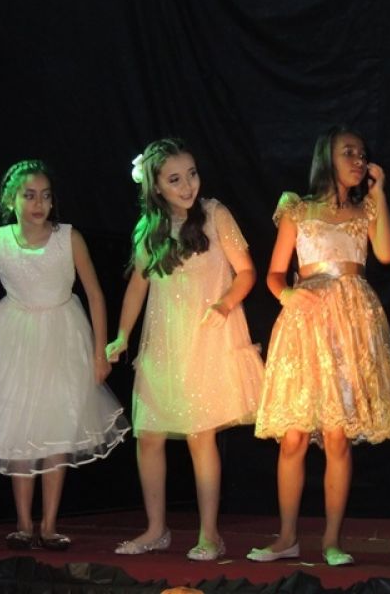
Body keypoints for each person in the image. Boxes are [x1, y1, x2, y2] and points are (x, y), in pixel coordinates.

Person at [247, 125, 390, 567]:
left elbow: (387, 254)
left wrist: (380, 192)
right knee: (293, 437)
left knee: (338, 436)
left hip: (350, 321)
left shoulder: (366, 209)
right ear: (327, 158)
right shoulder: (297, 209)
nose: (358, 159)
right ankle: (286, 537)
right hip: (306, 322)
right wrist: (288, 294)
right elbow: (274, 273)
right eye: (348, 152)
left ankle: (333, 540)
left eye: (362, 153)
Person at [0, 159, 129, 551]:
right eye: (29, 196)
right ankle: (22, 522)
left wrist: (99, 352)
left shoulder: (69, 238)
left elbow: (95, 294)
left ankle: (48, 525)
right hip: (13, 338)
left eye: (46, 196)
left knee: (56, 427)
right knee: (18, 429)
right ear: (10, 199)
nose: (39, 204)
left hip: (62, 335)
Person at [106, 138, 263, 561]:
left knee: (200, 436)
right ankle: (156, 529)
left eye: (191, 174)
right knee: (149, 436)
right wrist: (121, 335)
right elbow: (138, 286)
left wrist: (224, 305)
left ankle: (210, 534)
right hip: (162, 344)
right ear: (156, 186)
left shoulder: (215, 215)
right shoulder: (148, 229)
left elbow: (246, 271)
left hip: (205, 339)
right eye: (175, 179)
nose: (188, 185)